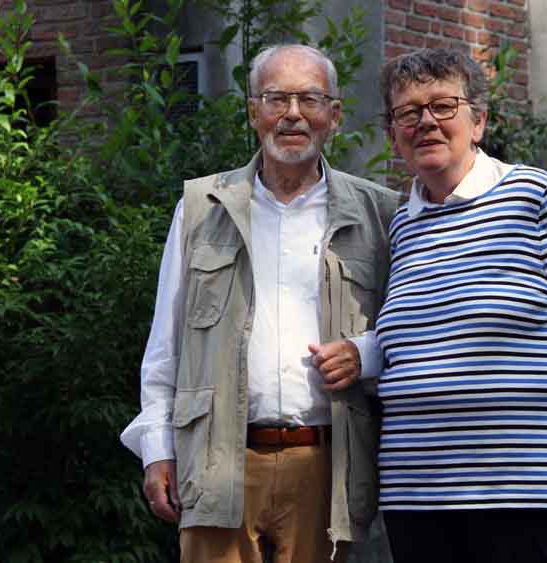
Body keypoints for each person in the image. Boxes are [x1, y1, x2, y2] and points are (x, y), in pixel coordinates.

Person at [343, 48, 547, 562]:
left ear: (478, 122)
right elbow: (405, 338)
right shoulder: (402, 225)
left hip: (530, 492)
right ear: (393, 136)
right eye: (407, 112)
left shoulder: (536, 197)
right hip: (420, 496)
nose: (425, 121)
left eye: (443, 106)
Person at [119, 44, 402, 563]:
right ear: (253, 112)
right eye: (276, 98)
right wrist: (156, 448)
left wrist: (368, 352)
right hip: (216, 461)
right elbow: (166, 343)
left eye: (310, 99)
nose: (293, 114)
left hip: (327, 464)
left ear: (334, 116)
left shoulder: (379, 214)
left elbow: (414, 331)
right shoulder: (202, 207)